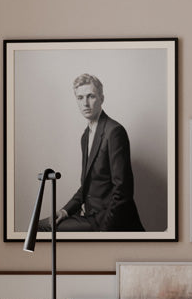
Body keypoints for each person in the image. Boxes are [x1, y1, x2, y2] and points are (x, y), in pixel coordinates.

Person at [41, 73, 143, 232]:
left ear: (101, 99)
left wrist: (104, 230)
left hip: (107, 221)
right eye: (80, 98)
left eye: (91, 96)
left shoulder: (114, 132)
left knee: (42, 229)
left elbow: (123, 190)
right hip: (90, 217)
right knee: (40, 225)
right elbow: (86, 187)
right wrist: (65, 211)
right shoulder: (85, 136)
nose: (85, 103)